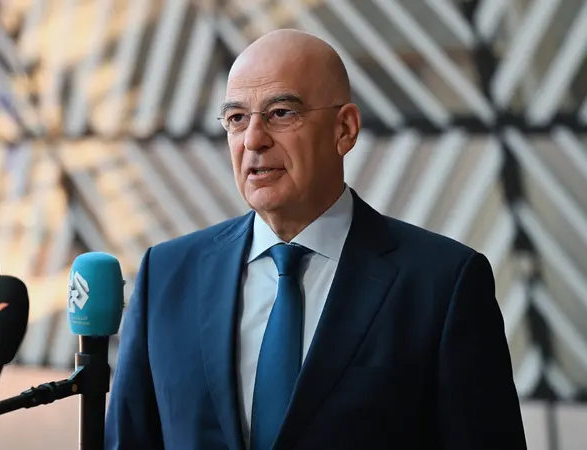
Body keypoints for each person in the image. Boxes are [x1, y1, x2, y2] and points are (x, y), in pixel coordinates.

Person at [104, 29, 527, 450]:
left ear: (345, 128)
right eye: (237, 119)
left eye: (281, 113)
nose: (253, 139)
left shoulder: (443, 283)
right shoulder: (166, 276)